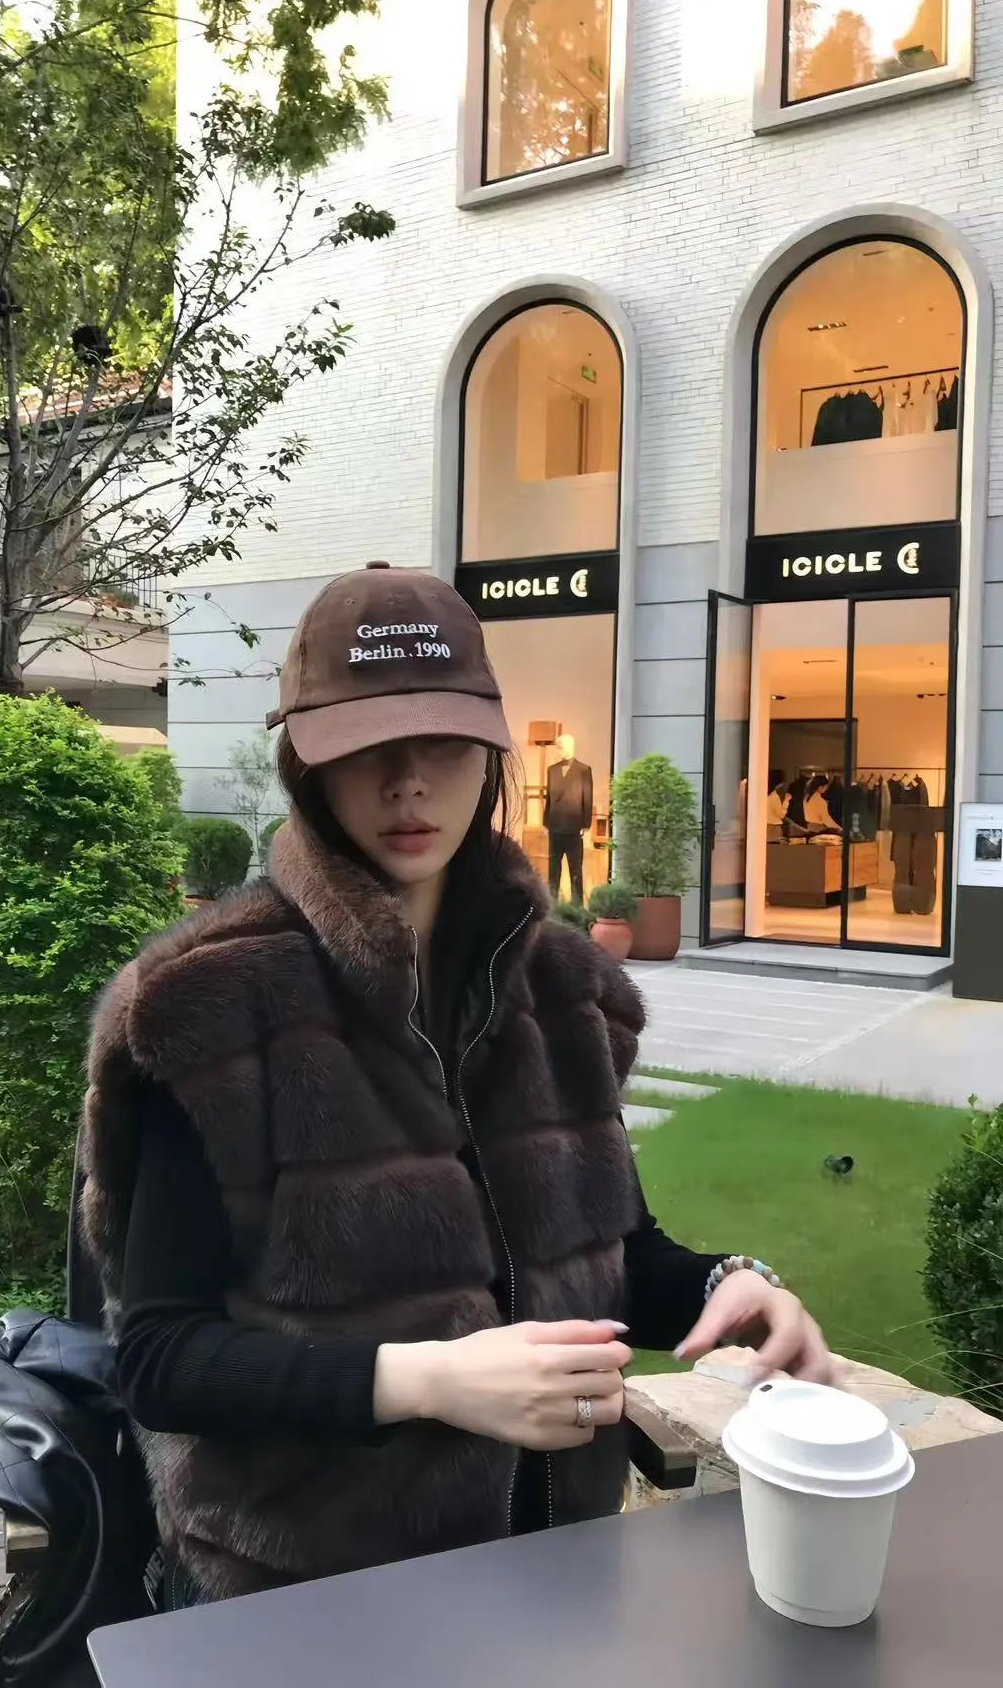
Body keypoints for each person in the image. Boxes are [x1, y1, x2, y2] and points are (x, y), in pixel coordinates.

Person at [80, 563, 833, 1612]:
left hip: (556, 1573)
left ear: (489, 754)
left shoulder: (563, 992)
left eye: (440, 742)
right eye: (365, 746)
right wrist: (430, 1379)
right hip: (306, 1595)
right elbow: (162, 1358)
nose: (406, 782)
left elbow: (602, 1254)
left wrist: (728, 1287)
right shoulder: (211, 1008)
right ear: (306, 758)